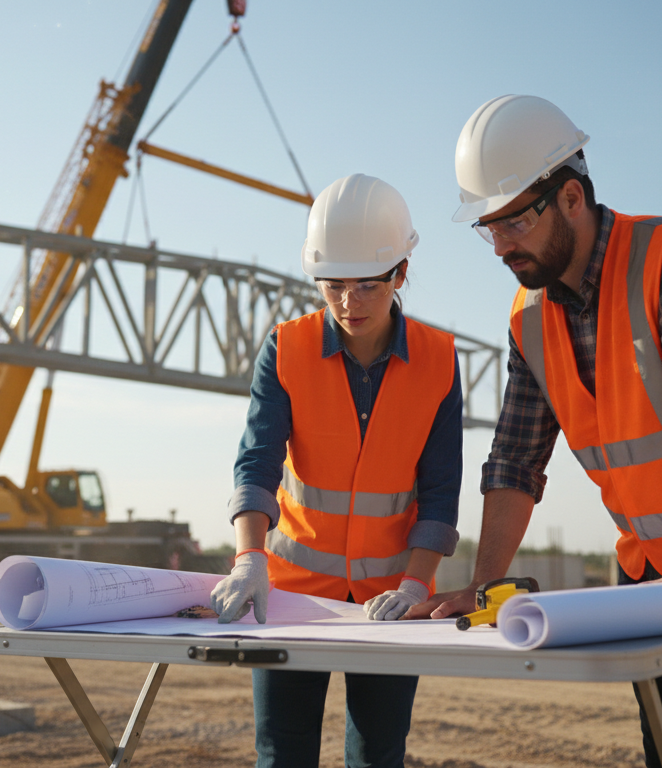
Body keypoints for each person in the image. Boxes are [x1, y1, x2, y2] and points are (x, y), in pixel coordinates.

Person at [406, 95, 662, 767]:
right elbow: (514, 460)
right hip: (653, 565)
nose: (501, 245)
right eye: (488, 228)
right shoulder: (528, 317)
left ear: (571, 197)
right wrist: (485, 586)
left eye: (514, 221)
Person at [210, 173, 463, 768]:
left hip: (394, 597)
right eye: (334, 285)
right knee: (283, 752)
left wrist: (416, 585)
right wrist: (249, 559)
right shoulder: (286, 348)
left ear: (401, 272)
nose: (350, 303)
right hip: (291, 594)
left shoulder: (438, 360)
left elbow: (440, 489)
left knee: (378, 755)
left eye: (368, 284)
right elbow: (257, 461)